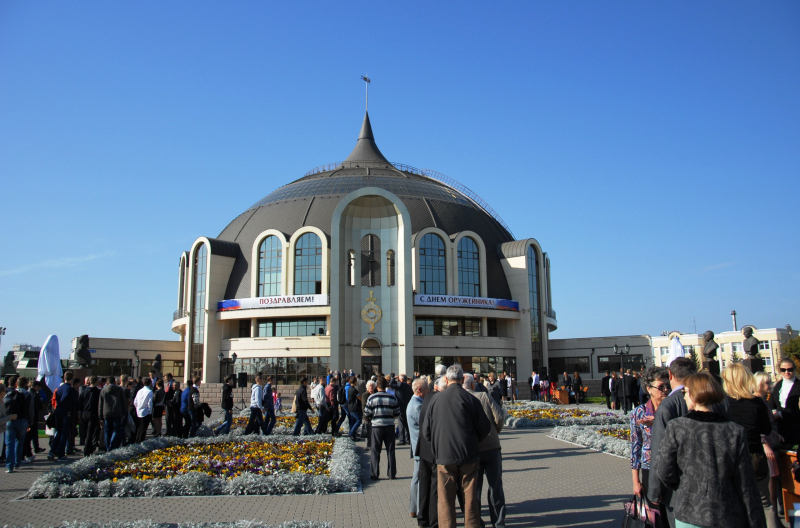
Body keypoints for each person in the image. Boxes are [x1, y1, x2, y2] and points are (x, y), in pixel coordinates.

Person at [655, 372, 767, 528]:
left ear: (693, 394)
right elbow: (745, 482)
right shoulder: (734, 431)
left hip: (689, 510)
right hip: (727, 511)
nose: (684, 397)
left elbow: (663, 469)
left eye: (685, 392)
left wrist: (684, 485)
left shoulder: (677, 427)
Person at [424, 364, 491, 528]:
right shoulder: (471, 399)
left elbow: (426, 432)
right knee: (470, 500)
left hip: (444, 456)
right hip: (469, 455)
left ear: (446, 379)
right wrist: (473, 442)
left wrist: (438, 445)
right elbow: (485, 428)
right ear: (462, 380)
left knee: (445, 501)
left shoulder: (436, 400)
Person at [723, 364, 780, 528]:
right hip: (755, 455)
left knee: (735, 504)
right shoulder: (757, 403)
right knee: (765, 503)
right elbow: (766, 429)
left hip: (731, 458)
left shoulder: (722, 404)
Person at [464, 373, 507, 528]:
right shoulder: (484, 396)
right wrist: (495, 431)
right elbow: (500, 416)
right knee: (495, 486)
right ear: (473, 384)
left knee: (475, 489)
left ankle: (477, 522)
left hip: (473, 449)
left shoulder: (462, 399)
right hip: (492, 446)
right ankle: (498, 522)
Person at [630, 366, 670, 499]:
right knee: (654, 512)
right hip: (649, 467)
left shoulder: (672, 410)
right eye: (661, 386)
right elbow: (635, 447)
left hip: (671, 467)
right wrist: (636, 482)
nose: (666, 390)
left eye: (667, 385)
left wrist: (659, 423)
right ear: (649, 389)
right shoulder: (639, 413)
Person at [754, 371, 784, 519]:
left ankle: (774, 518)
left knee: (773, 482)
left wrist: (773, 433)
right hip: (766, 448)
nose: (770, 385)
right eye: (767, 383)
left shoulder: (763, 401)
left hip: (769, 443)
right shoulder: (756, 402)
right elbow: (757, 427)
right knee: (770, 486)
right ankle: (773, 519)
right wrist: (765, 443)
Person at [364, 376, 401, 480]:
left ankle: (374, 474)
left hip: (376, 426)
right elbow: (397, 412)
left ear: (377, 386)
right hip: (389, 426)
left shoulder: (372, 398)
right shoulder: (392, 398)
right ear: (386, 386)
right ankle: (392, 473)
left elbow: (366, 413)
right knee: (391, 450)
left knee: (375, 451)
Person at [407, 378, 428, 519]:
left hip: (418, 447)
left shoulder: (416, 403)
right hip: (421, 448)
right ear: (420, 390)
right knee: (420, 479)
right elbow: (426, 428)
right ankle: (420, 509)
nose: (429, 390)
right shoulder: (417, 406)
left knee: (417, 478)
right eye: (427, 388)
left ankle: (414, 508)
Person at [769, 357, 800, 445]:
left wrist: (781, 414)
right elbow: (771, 404)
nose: (786, 372)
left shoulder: (798, 385)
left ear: (794, 369)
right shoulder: (778, 385)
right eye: (783, 370)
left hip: (794, 427)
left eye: (790, 369)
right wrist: (774, 411)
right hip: (779, 427)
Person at [48, 371, 77, 462]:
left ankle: (52, 451)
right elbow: (73, 402)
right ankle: (61, 454)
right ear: (72, 379)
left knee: (58, 433)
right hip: (66, 413)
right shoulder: (71, 389)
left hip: (58, 413)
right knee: (64, 434)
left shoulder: (59, 388)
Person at [99, 376, 127, 451]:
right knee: (116, 429)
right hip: (117, 412)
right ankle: (112, 444)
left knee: (107, 430)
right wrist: (124, 411)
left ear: (107, 383)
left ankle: (108, 446)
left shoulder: (103, 390)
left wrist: (100, 416)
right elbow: (123, 401)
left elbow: (100, 404)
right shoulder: (119, 390)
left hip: (106, 412)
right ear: (115, 382)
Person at [3, 379, 25, 471]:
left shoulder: (6, 395)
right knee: (19, 443)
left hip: (9, 420)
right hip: (21, 420)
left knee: (9, 444)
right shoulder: (22, 395)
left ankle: (9, 466)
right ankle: (17, 463)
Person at [78, 376, 101, 456]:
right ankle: (87, 449)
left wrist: (80, 415)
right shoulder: (97, 392)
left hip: (84, 413)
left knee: (86, 431)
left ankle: (88, 447)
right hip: (93, 413)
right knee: (90, 433)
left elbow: (80, 404)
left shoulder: (84, 391)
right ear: (96, 382)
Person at [134, 378, 154, 443]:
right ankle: (140, 441)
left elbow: (135, 402)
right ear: (150, 383)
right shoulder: (149, 391)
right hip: (145, 412)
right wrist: (150, 412)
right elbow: (150, 403)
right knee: (143, 429)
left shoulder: (139, 391)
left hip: (139, 411)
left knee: (139, 427)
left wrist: (138, 408)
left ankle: (137, 440)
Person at [396, 374, 414, 445]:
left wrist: (393, 378)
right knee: (407, 424)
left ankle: (402, 439)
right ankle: (407, 439)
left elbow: (391, 384)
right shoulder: (409, 387)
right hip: (407, 407)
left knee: (401, 424)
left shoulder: (400, 386)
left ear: (401, 380)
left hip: (401, 407)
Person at [346, 375, 363, 441]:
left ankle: (353, 435)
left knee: (353, 421)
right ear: (355, 382)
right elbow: (360, 398)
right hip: (354, 407)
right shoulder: (354, 390)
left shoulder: (350, 389)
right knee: (359, 421)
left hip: (350, 406)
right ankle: (351, 433)